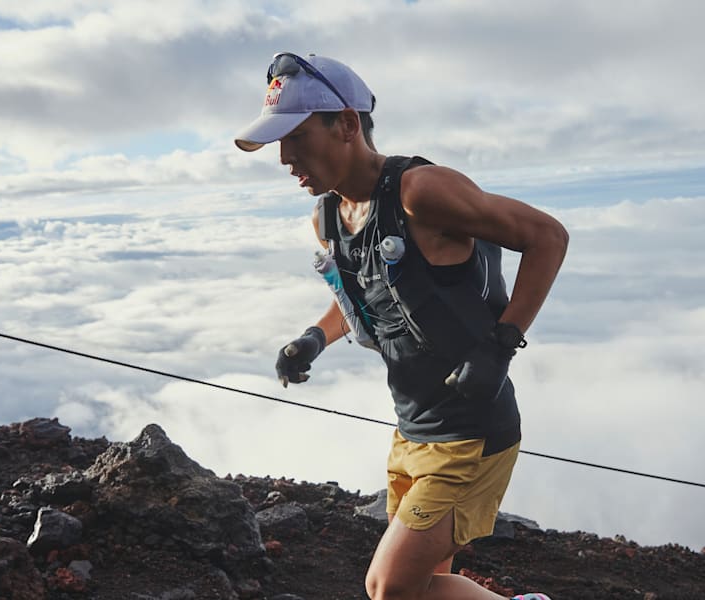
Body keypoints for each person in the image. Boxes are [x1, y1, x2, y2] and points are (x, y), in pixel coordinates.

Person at [235, 52, 567, 600]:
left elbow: (547, 237)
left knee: (388, 588)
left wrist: (499, 346)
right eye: (279, 144)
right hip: (411, 430)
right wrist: (312, 340)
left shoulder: (420, 192)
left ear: (345, 124)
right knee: (427, 584)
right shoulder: (329, 219)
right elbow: (366, 299)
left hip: (471, 431)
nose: (285, 159)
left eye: (296, 138)